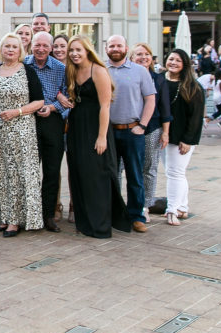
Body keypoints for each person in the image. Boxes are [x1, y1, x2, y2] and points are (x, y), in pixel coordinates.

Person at [63, 36, 130, 238]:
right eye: (71, 50)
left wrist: (101, 137)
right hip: (76, 127)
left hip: (96, 128)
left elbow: (105, 106)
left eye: (78, 50)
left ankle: (100, 225)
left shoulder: (99, 71)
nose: (74, 53)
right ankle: (84, 222)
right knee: (79, 173)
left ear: (87, 51)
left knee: (97, 176)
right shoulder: (72, 70)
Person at [0, 33, 45, 236]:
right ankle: (4, 217)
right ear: (0, 49)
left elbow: (39, 101)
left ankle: (16, 220)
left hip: (21, 130)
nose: (10, 50)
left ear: (20, 51)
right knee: (0, 173)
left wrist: (17, 112)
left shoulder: (27, 71)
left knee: (19, 174)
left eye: (14, 47)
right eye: (7, 46)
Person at [105, 35, 156, 233]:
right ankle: (113, 213)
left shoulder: (140, 71)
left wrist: (142, 126)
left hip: (133, 130)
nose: (115, 48)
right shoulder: (101, 69)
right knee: (110, 175)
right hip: (109, 131)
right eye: (112, 46)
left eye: (119, 45)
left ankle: (137, 216)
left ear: (126, 48)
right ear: (106, 48)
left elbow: (150, 100)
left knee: (135, 175)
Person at [25, 32, 69, 232]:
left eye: (45, 45)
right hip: (27, 120)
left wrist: (52, 108)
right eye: (37, 45)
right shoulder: (23, 64)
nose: (41, 49)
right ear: (31, 45)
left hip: (52, 122)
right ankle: (29, 213)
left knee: (51, 171)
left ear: (51, 48)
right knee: (29, 170)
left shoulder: (61, 68)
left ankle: (48, 214)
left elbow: (69, 100)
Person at [162, 49, 204, 226]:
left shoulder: (192, 86)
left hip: (181, 137)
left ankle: (172, 209)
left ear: (185, 64)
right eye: (171, 59)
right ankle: (183, 207)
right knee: (175, 173)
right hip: (163, 135)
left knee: (175, 173)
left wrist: (188, 139)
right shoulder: (159, 80)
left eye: (178, 60)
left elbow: (196, 116)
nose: (173, 62)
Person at [129, 43, 171, 217]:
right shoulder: (126, 76)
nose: (143, 57)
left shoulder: (159, 79)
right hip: (129, 127)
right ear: (131, 58)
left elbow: (165, 108)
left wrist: (165, 132)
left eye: (147, 54)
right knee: (123, 167)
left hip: (152, 128)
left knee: (149, 168)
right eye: (139, 54)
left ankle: (145, 206)